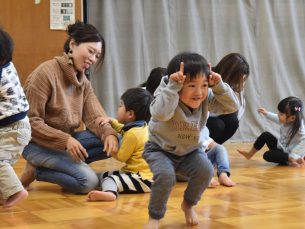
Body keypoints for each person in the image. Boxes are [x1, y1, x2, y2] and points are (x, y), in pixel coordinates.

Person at [20, 21, 119, 194]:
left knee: (118, 139)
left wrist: (108, 133)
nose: (93, 59)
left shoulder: (83, 82)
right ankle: (36, 170)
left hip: (66, 142)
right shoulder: (45, 73)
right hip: (35, 145)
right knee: (88, 182)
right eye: (90, 51)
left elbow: (96, 117)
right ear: (72, 44)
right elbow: (30, 122)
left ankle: (68, 166)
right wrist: (65, 141)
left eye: (97, 55)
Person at [143, 52, 239, 228]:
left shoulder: (205, 97)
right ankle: (154, 217)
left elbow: (232, 107)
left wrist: (218, 85)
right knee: (165, 176)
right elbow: (160, 113)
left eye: (204, 85)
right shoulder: (167, 93)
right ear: (178, 83)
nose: (199, 92)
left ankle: (188, 204)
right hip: (160, 150)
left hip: (190, 151)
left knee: (206, 171)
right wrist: (172, 88)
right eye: (192, 85)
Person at [86, 87, 153, 201]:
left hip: (142, 179)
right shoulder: (140, 127)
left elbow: (122, 157)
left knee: (110, 179)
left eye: (120, 105)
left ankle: (110, 193)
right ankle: (97, 183)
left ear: (130, 114)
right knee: (104, 174)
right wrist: (111, 121)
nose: (118, 108)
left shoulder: (132, 134)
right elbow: (122, 128)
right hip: (142, 174)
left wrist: (112, 149)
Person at [0, 28, 31, 208]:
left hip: (12, 129)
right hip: (16, 127)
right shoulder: (8, 67)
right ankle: (5, 191)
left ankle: (16, 191)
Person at [238, 96, 305, 166]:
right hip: (282, 149)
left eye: (281, 114)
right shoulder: (287, 120)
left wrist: (294, 155)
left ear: (292, 118)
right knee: (265, 135)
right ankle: (249, 154)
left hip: (290, 155)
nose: (278, 115)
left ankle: (292, 160)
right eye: (279, 113)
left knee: (267, 155)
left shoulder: (299, 128)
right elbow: (277, 118)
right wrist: (266, 113)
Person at [206, 53, 250, 144]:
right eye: (239, 80)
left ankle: (212, 148)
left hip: (214, 117)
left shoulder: (236, 86)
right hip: (197, 120)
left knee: (233, 121)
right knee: (217, 125)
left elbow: (236, 108)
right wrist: (217, 85)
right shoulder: (208, 77)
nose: (240, 83)